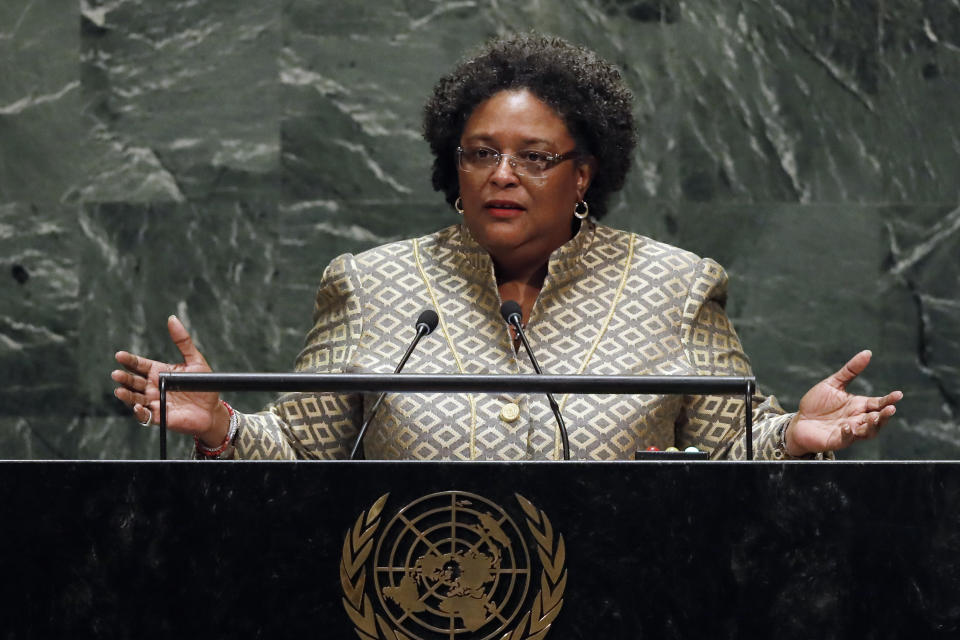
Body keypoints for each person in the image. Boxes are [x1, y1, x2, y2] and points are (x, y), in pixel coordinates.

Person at [111, 34, 902, 461]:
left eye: (535, 157)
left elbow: (732, 451)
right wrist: (220, 426)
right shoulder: (370, 284)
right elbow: (298, 458)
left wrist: (793, 439)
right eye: (480, 153)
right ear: (452, 168)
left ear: (585, 172)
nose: (503, 175)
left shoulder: (676, 285)